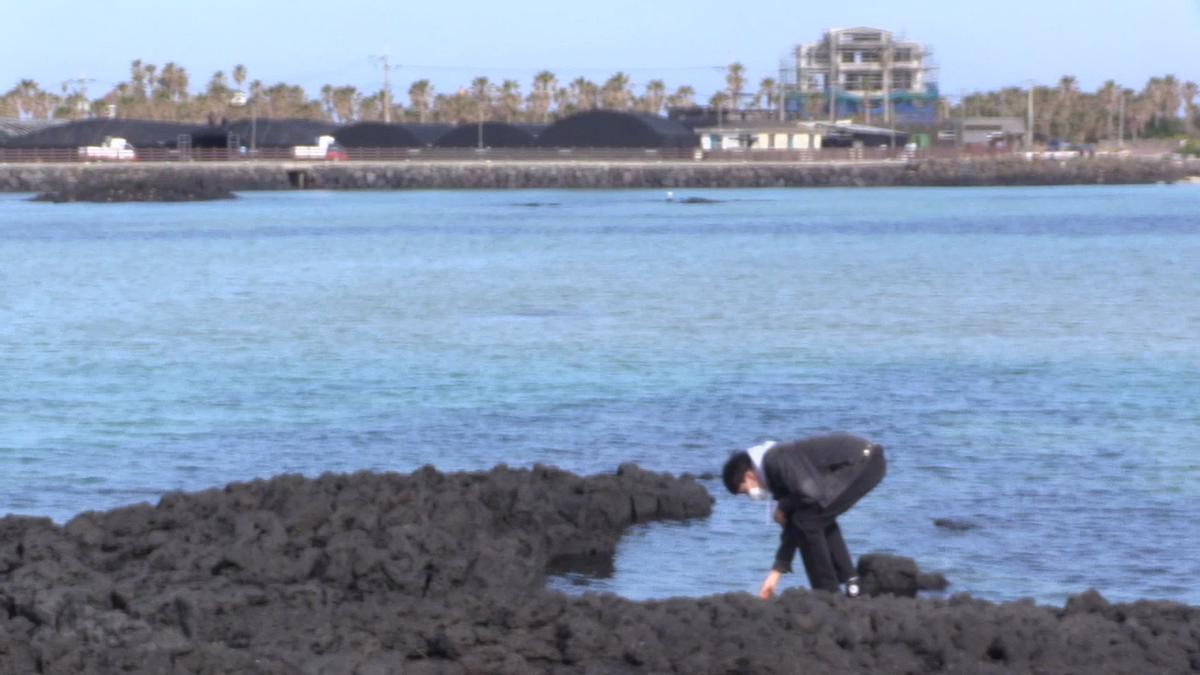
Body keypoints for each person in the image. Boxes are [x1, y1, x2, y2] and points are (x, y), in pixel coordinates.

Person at [722, 432, 886, 599]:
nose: (750, 496)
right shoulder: (771, 470)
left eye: (745, 492)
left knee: (808, 521)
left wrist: (784, 506)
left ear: (749, 476)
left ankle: (827, 593)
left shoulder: (775, 460)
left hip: (864, 463)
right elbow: (793, 517)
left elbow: (809, 494)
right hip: (862, 462)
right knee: (813, 517)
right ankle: (852, 585)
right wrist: (776, 572)